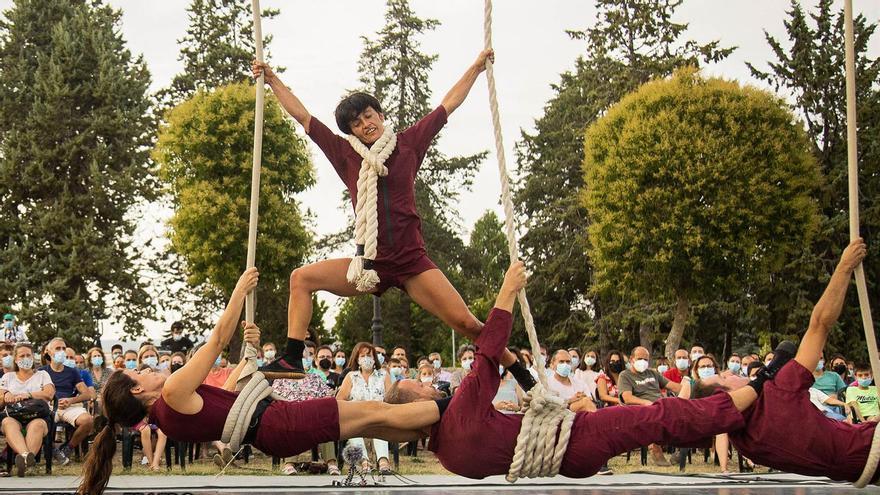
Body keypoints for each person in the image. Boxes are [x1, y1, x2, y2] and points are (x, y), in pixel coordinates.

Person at [251, 51, 535, 393]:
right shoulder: (346, 155)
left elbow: (447, 106)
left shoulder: (409, 144)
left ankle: (520, 371)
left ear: (380, 115)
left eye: (368, 116)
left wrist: (475, 68)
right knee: (301, 278)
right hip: (369, 266)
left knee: (467, 323)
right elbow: (303, 117)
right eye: (356, 124)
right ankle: (293, 357)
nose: (365, 125)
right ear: (351, 131)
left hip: (411, 262)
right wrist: (271, 80)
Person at [79, 267, 450, 494]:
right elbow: (217, 341)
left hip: (271, 427)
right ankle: (446, 410)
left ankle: (434, 430)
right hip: (276, 422)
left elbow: (227, 399)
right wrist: (239, 291)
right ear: (137, 389)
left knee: (377, 421)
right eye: (138, 372)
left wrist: (251, 353)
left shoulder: (169, 413)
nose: (147, 369)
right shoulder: (171, 394)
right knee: (371, 412)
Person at [385, 261, 767, 480]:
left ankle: (734, 415)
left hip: (569, 452)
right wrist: (506, 291)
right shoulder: (457, 417)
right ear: (410, 404)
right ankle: (750, 395)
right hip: (579, 440)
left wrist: (516, 367)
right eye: (417, 388)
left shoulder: (449, 456)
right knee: (662, 415)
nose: (431, 386)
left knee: (659, 420)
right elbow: (486, 355)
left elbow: (520, 409)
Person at [694, 238, 879, 483]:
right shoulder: (778, 394)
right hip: (869, 448)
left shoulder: (745, 443)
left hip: (857, 464)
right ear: (728, 400)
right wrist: (844, 267)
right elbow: (820, 324)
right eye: (726, 378)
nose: (734, 374)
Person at [618, 346, 683, 466]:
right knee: (655, 414)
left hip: (662, 405)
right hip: (641, 409)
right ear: (632, 359)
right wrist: (647, 403)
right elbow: (627, 398)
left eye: (646, 359)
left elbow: (673, 386)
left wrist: (691, 387)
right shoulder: (625, 375)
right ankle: (656, 450)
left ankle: (680, 451)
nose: (643, 362)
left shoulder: (653, 373)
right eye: (639, 358)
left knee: (683, 413)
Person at [336, 341, 394, 474]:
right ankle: (364, 462)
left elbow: (391, 398)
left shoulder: (384, 375)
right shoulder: (351, 377)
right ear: (357, 359)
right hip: (357, 416)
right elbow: (340, 399)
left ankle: (383, 462)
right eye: (362, 356)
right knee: (354, 429)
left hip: (379, 414)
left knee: (380, 426)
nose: (366, 358)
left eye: (369, 355)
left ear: (374, 358)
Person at [0, 343, 55, 477]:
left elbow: (49, 393)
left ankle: (23, 461)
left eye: (28, 355)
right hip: (14, 416)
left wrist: (28, 394)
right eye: (22, 355)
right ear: (16, 359)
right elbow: (1, 396)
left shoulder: (42, 374)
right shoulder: (8, 377)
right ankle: (26, 458)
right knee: (8, 423)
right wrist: (6, 394)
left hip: (38, 416)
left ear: (33, 357)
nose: (25, 358)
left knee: (37, 425)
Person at [40, 337, 94, 465]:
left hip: (68, 407)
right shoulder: (41, 372)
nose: (61, 351)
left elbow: (87, 394)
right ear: (48, 351)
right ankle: (52, 449)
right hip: (49, 406)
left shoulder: (72, 372)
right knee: (40, 422)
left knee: (88, 421)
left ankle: (67, 448)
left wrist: (71, 400)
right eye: (58, 348)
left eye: (63, 348)